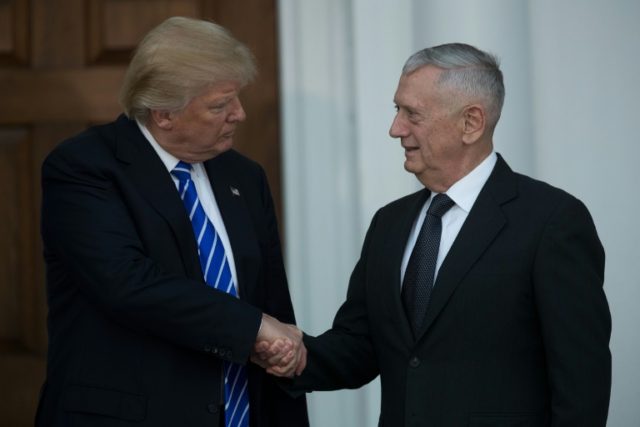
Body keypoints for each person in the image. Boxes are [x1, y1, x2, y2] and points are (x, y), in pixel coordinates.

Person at [256, 43, 611, 426]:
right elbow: (361, 346)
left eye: (413, 114)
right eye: (397, 110)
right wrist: (296, 356)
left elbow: (581, 385)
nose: (396, 129)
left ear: (471, 123)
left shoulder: (551, 222)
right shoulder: (389, 224)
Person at [36, 16, 308, 427]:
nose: (240, 114)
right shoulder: (85, 168)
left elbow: (270, 299)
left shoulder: (244, 176)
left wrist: (285, 352)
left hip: (241, 411)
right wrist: (252, 327)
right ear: (163, 114)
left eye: (236, 99)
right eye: (220, 105)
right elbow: (126, 282)